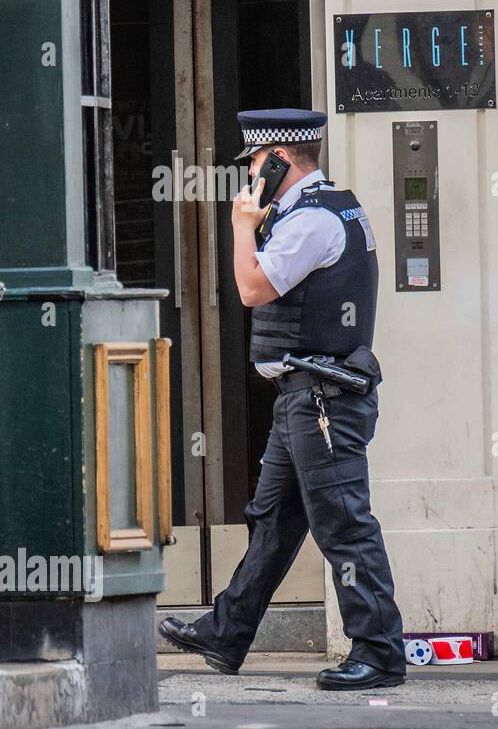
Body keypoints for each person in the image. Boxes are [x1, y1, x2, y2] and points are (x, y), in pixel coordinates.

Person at [159, 108, 406, 690]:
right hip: (303, 396)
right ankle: (228, 631)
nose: (248, 172)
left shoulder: (311, 222)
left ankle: (378, 652)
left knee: (343, 524)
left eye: (253, 161)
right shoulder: (322, 209)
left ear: (279, 161)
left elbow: (250, 288)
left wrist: (243, 223)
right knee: (273, 520)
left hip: (322, 402)